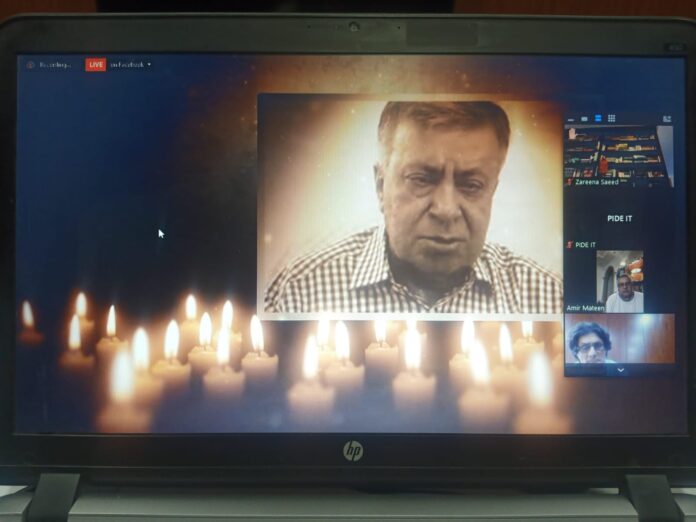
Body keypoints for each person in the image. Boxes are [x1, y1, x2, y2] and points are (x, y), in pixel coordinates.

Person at [265, 101, 562, 313]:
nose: (446, 209)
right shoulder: (299, 292)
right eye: (421, 179)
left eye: (471, 185)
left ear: (492, 191)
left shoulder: (547, 297)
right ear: (381, 186)